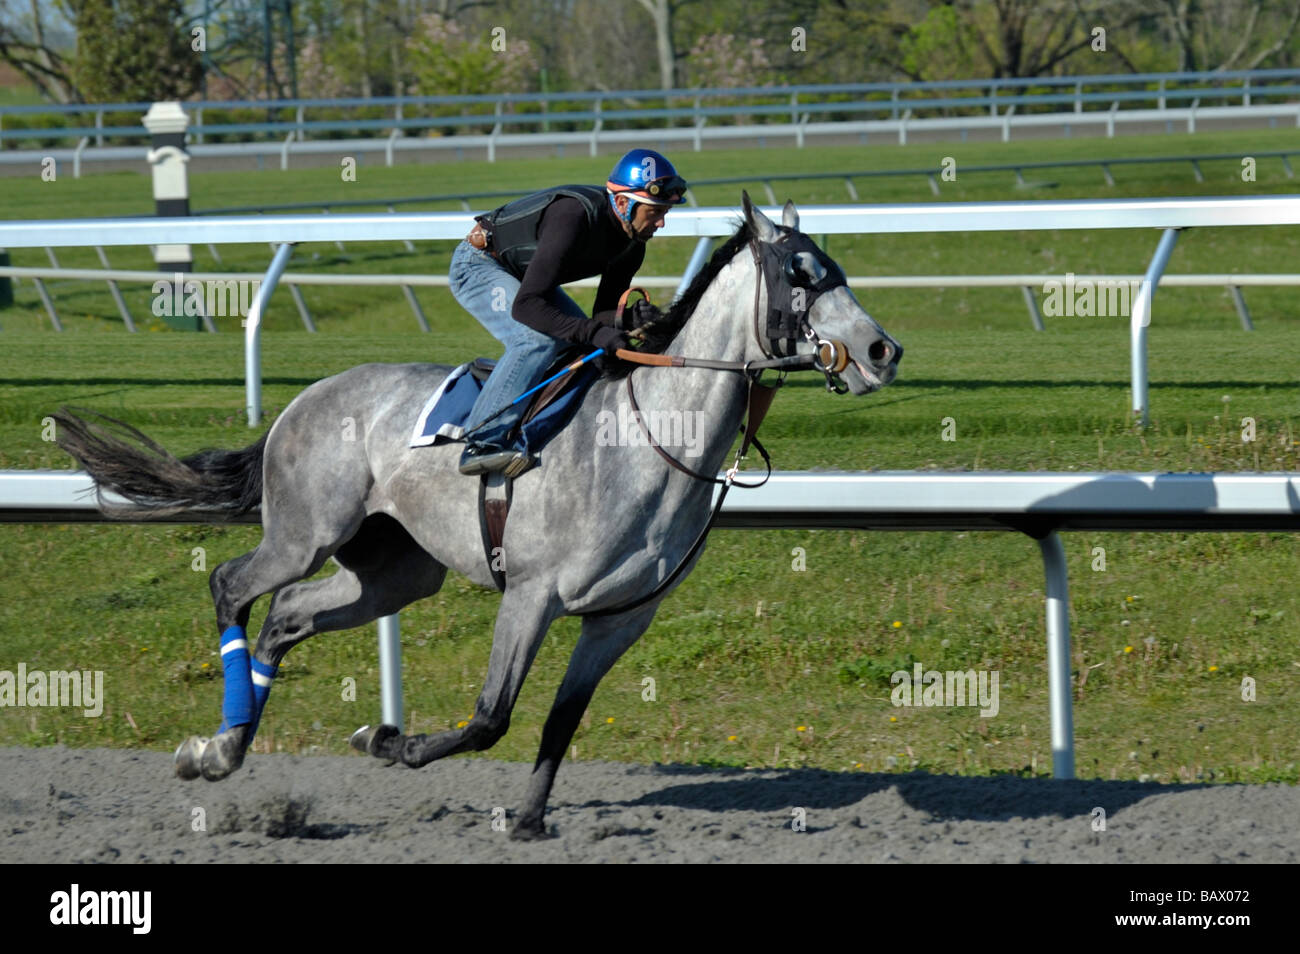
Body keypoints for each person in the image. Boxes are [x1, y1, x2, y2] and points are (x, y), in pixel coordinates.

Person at [448, 148, 687, 476]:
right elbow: (527, 306)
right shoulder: (572, 216)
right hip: (479, 265)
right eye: (655, 211)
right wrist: (594, 331)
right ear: (622, 203)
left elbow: (601, 316)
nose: (661, 223)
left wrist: (627, 320)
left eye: (665, 212)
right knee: (537, 340)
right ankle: (482, 439)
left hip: (524, 279)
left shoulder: (634, 244)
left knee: (582, 347)